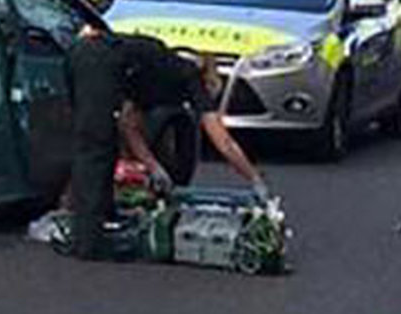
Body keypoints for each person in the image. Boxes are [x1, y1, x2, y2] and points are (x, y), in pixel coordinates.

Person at [67, 26, 267, 260]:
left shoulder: (156, 71)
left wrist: (154, 168)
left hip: (82, 55)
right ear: (209, 80)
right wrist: (254, 179)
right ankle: (88, 244)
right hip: (97, 61)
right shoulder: (190, 77)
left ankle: (98, 222)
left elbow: (128, 125)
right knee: (96, 147)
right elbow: (223, 141)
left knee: (100, 141)